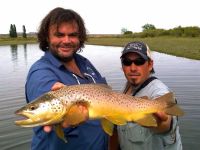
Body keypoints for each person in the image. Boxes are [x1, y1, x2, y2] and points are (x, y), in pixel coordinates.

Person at [25, 7, 109, 150]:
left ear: (80, 37)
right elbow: (48, 97)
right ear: (47, 37)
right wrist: (60, 112)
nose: (66, 40)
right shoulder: (40, 72)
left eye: (73, 35)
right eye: (59, 35)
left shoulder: (84, 63)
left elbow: (106, 95)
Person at [117, 41, 182, 150]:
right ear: (122, 66)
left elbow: (166, 124)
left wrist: (161, 123)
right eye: (127, 62)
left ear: (150, 64)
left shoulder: (159, 91)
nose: (132, 68)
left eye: (139, 61)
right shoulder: (127, 87)